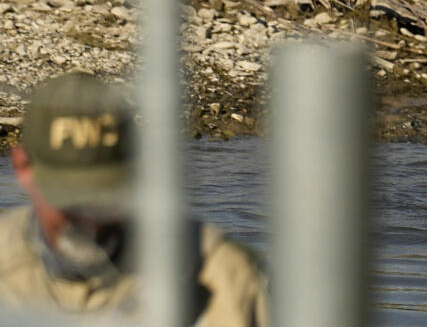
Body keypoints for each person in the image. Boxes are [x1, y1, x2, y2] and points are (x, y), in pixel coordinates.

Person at [0, 71, 270, 325]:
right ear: (23, 167)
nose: (91, 221)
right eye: (71, 199)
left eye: (107, 195)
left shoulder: (225, 277)